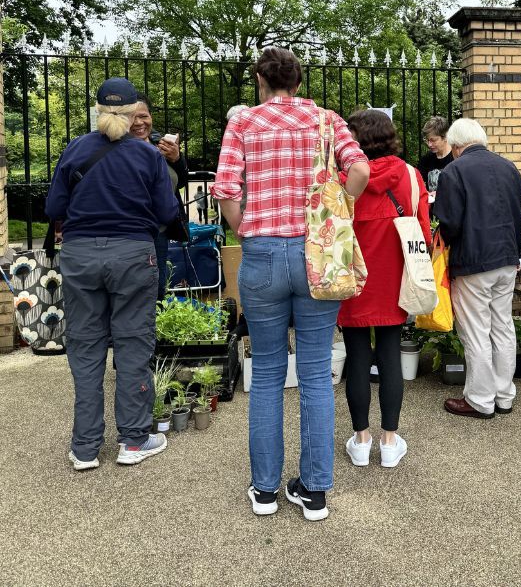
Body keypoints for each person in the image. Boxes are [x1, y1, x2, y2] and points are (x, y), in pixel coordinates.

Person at [211, 48, 369, 521]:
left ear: (261, 80)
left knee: (267, 375)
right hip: (316, 255)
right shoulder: (326, 120)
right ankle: (314, 491)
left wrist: (246, 230)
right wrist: (339, 210)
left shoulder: (243, 123)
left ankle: (264, 490)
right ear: (299, 81)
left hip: (261, 255)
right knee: (317, 374)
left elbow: (225, 191)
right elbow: (360, 169)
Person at [46, 77, 179, 470]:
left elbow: (55, 204)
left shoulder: (76, 148)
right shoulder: (147, 155)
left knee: (85, 349)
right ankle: (134, 440)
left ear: (99, 110)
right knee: (133, 344)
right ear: (132, 109)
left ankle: (85, 448)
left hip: (81, 255)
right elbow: (168, 212)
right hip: (133, 255)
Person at [338, 110, 431, 467]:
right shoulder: (410, 175)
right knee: (391, 356)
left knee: (357, 358)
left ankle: (361, 441)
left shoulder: (346, 178)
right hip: (395, 278)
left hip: (353, 278)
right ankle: (390, 442)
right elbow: (422, 230)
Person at [434, 118, 521, 418]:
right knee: (502, 327)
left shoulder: (454, 171)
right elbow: (518, 215)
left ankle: (480, 399)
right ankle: (504, 395)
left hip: (473, 261)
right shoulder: (508, 167)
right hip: (507, 259)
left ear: (456, 146)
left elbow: (449, 223)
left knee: (475, 332)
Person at [129, 96, 188, 299]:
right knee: (132, 288)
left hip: (159, 230)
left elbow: (179, 182)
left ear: (151, 117)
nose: (138, 123)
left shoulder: (161, 143)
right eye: (131, 117)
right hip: (129, 230)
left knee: (157, 287)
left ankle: (154, 328)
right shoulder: (117, 146)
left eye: (143, 116)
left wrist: (177, 159)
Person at [416, 116, 453, 213]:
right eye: (427, 140)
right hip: (431, 214)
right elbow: (417, 184)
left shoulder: (456, 159)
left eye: (433, 140)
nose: (429, 144)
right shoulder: (426, 159)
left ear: (445, 137)